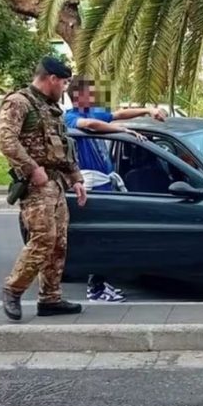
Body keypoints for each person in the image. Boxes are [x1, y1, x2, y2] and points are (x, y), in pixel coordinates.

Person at [0, 57, 88, 321]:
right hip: (36, 185)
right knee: (43, 239)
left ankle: (50, 299)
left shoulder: (50, 108)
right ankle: (12, 289)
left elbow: (63, 147)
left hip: (56, 183)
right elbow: (5, 140)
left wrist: (76, 178)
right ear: (51, 79)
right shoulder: (19, 102)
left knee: (58, 243)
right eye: (63, 82)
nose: (64, 88)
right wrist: (32, 168)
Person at [64, 76, 167, 303]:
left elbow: (119, 114)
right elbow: (90, 127)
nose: (95, 95)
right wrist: (120, 130)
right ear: (78, 96)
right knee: (98, 237)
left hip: (104, 182)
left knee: (108, 237)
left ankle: (101, 282)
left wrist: (148, 110)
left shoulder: (93, 113)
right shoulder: (71, 117)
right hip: (91, 184)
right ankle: (96, 288)